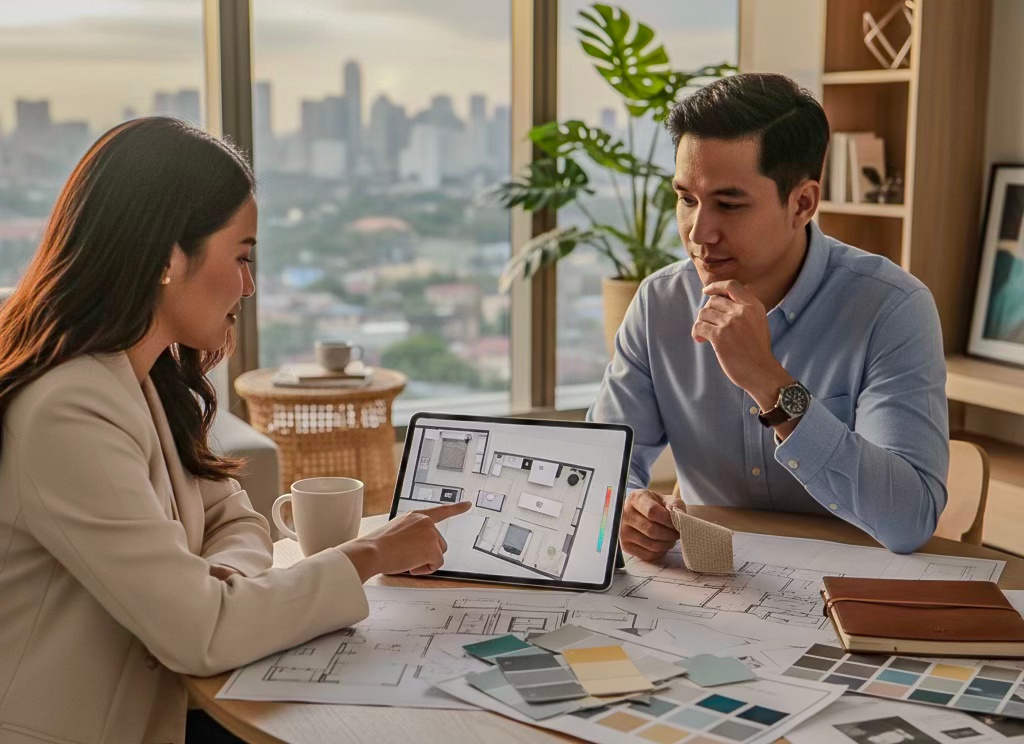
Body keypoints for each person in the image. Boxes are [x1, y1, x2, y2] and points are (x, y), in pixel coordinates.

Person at [0, 117, 470, 744]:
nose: (249, 285)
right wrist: (371, 552)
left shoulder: (143, 377)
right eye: (242, 257)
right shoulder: (69, 410)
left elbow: (237, 518)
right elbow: (203, 634)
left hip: (168, 706)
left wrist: (219, 588)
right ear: (169, 258)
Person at [589, 73, 948, 560]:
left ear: (802, 203)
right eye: (687, 199)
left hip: (853, 593)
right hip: (715, 592)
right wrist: (626, 507)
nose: (699, 233)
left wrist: (769, 383)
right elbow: (604, 463)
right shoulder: (660, 304)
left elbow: (908, 521)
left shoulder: (891, 308)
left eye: (729, 205)